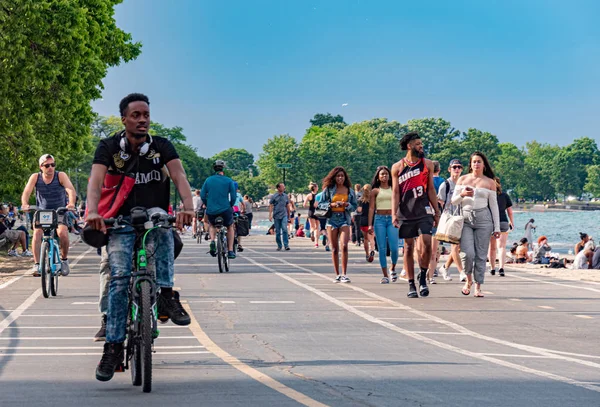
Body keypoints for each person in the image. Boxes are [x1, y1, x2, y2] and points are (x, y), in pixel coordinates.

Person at [86, 93, 194, 382]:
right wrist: (93, 212)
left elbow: (180, 176)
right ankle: (112, 348)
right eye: (136, 115)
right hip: (118, 220)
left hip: (152, 218)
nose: (142, 119)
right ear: (124, 119)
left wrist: (188, 207)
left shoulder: (162, 146)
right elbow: (95, 181)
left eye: (146, 114)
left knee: (164, 227)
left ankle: (167, 295)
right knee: (119, 280)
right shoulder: (109, 147)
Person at [391, 132, 440, 298]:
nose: (421, 146)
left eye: (421, 143)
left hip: (424, 209)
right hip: (406, 211)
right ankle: (411, 283)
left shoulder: (427, 164)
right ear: (409, 146)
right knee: (408, 247)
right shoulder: (397, 167)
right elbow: (396, 192)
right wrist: (394, 213)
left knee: (427, 242)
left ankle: (423, 276)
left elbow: (431, 189)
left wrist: (436, 211)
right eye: (418, 144)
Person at [451, 151, 500, 298]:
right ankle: (468, 280)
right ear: (470, 165)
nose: (476, 164)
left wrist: (497, 227)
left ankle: (478, 286)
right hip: (465, 218)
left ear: (484, 165)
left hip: (483, 218)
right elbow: (453, 201)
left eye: (479, 161)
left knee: (480, 254)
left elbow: (494, 206)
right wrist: (462, 195)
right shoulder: (463, 179)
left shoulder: (490, 183)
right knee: (467, 253)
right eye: (474, 162)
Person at [21, 154, 77, 276]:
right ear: (41, 167)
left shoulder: (60, 175)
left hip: (59, 211)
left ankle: (64, 260)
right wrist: (25, 204)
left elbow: (70, 189)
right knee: (37, 233)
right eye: (47, 165)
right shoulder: (35, 177)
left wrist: (71, 203)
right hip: (42, 211)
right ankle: (37, 265)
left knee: (62, 233)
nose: (50, 168)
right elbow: (27, 192)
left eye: (53, 165)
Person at [321, 166, 357, 283]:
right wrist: (331, 205)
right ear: (334, 177)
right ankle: (337, 274)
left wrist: (347, 205)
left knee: (345, 246)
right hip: (331, 219)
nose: (340, 178)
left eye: (342, 176)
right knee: (335, 248)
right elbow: (321, 203)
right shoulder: (329, 189)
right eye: (338, 176)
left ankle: (344, 274)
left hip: (344, 219)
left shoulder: (349, 190)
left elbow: (354, 205)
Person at [368, 166, 399, 284]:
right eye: (382, 174)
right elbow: (371, 208)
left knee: (394, 248)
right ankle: (385, 275)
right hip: (379, 219)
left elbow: (398, 204)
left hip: (392, 219)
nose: (384, 176)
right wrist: (370, 224)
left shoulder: (394, 189)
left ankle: (393, 268)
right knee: (381, 248)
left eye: (386, 174)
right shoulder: (375, 191)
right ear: (378, 177)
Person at [201, 160, 237, 259]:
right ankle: (230, 250)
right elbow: (233, 196)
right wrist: (230, 205)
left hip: (212, 209)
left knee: (212, 224)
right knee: (230, 226)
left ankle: (212, 241)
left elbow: (202, 195)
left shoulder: (208, 180)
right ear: (223, 169)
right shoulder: (229, 180)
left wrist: (208, 204)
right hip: (225, 208)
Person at [437, 159, 464, 282]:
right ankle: (462, 272)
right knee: (455, 246)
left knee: (459, 247)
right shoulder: (445, 185)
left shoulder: (464, 184)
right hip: (450, 218)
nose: (457, 169)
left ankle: (445, 267)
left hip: (462, 217)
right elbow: (440, 202)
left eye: (459, 167)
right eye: (454, 167)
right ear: (449, 169)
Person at [488, 177, 514, 277]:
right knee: (502, 247)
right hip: (503, 221)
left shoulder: (488, 195)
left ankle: (492, 268)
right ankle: (501, 268)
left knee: (492, 247)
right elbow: (510, 211)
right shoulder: (505, 196)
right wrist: (511, 222)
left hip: (491, 222)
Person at [269, 183, 292, 251]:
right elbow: (271, 205)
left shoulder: (285, 196)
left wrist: (289, 215)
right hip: (276, 215)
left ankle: (286, 245)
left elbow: (287, 205)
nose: (284, 188)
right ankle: (279, 245)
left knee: (284, 229)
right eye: (282, 187)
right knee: (278, 231)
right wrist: (270, 215)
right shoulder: (274, 196)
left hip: (284, 215)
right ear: (278, 188)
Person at [357, 184, 375, 264]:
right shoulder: (374, 199)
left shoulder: (361, 199)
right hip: (372, 220)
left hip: (364, 220)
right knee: (371, 237)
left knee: (365, 239)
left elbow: (359, 210)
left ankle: (367, 254)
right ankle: (372, 250)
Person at [303, 182, 320, 248]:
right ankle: (316, 243)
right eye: (317, 187)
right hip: (318, 212)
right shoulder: (319, 195)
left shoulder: (309, 195)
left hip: (311, 211)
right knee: (317, 227)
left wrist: (309, 206)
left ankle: (311, 232)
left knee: (312, 227)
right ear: (315, 188)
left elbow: (304, 205)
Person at [232, 183, 245, 252]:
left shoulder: (227, 194)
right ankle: (239, 244)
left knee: (228, 225)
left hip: (229, 210)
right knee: (239, 227)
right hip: (237, 210)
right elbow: (243, 204)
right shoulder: (239, 195)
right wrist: (243, 210)